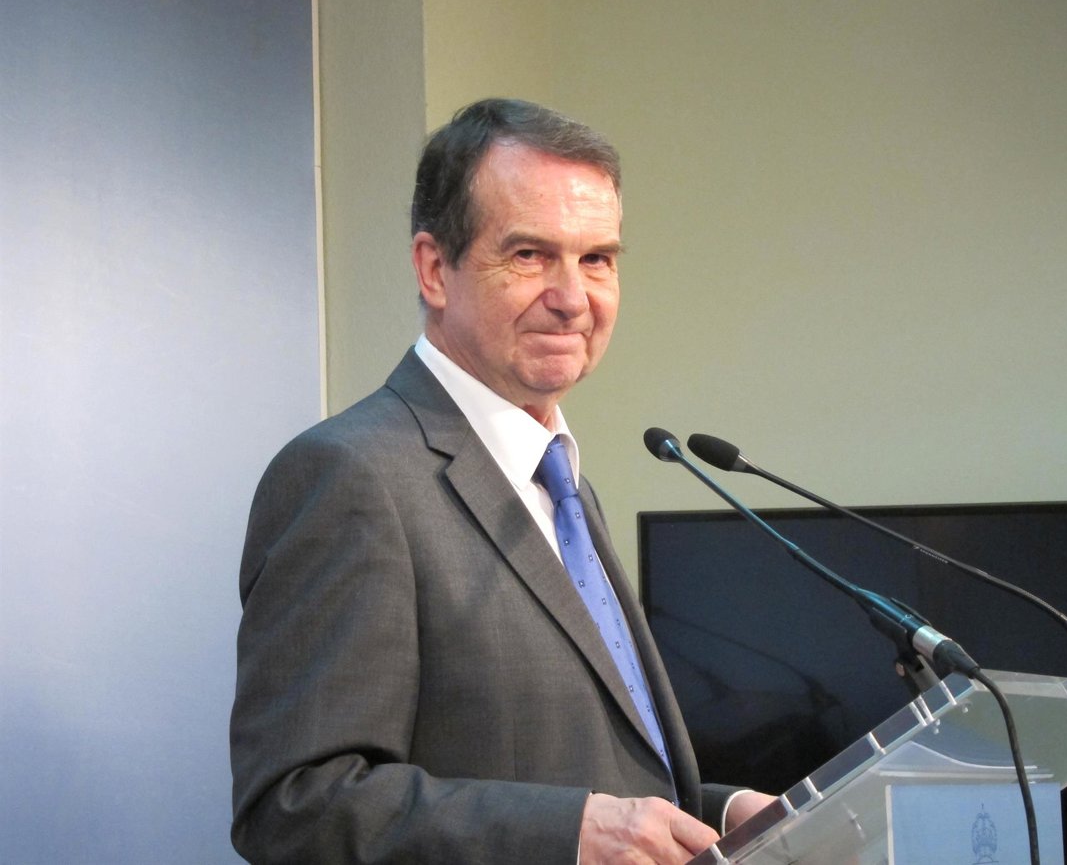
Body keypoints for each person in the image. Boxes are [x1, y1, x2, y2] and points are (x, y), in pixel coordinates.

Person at [230, 98, 773, 864]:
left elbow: (567, 766)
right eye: (529, 255)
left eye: (597, 259)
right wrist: (568, 835)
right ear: (434, 269)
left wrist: (717, 811)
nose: (573, 298)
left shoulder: (561, 483)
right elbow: (295, 808)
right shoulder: (352, 477)